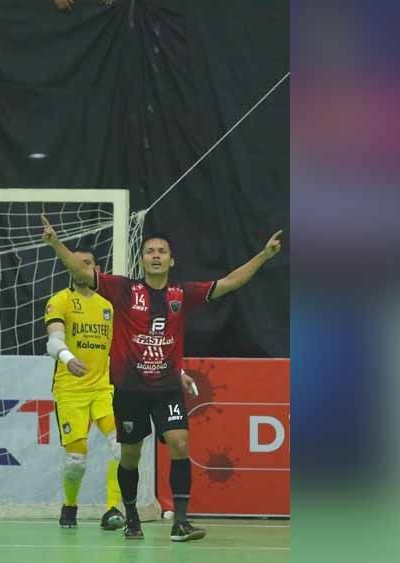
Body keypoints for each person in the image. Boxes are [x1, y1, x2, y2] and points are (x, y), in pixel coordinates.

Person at [43, 217, 282, 542]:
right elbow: (83, 272)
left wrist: (264, 255)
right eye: (150, 251)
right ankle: (131, 517)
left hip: (167, 388)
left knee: (180, 443)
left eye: (162, 251)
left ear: (171, 260)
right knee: (129, 456)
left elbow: (228, 282)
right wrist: (57, 244)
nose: (155, 255)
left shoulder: (180, 294)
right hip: (129, 389)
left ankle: (180, 523)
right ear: (141, 259)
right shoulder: (124, 289)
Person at [44, 245, 124, 530]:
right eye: (76, 263)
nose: (81, 268)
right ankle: (70, 506)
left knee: (121, 447)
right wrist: (67, 357)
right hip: (70, 392)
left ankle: (113, 509)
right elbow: (54, 340)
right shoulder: (60, 301)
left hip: (103, 390)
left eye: (87, 263)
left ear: (97, 270)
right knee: (76, 461)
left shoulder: (109, 306)